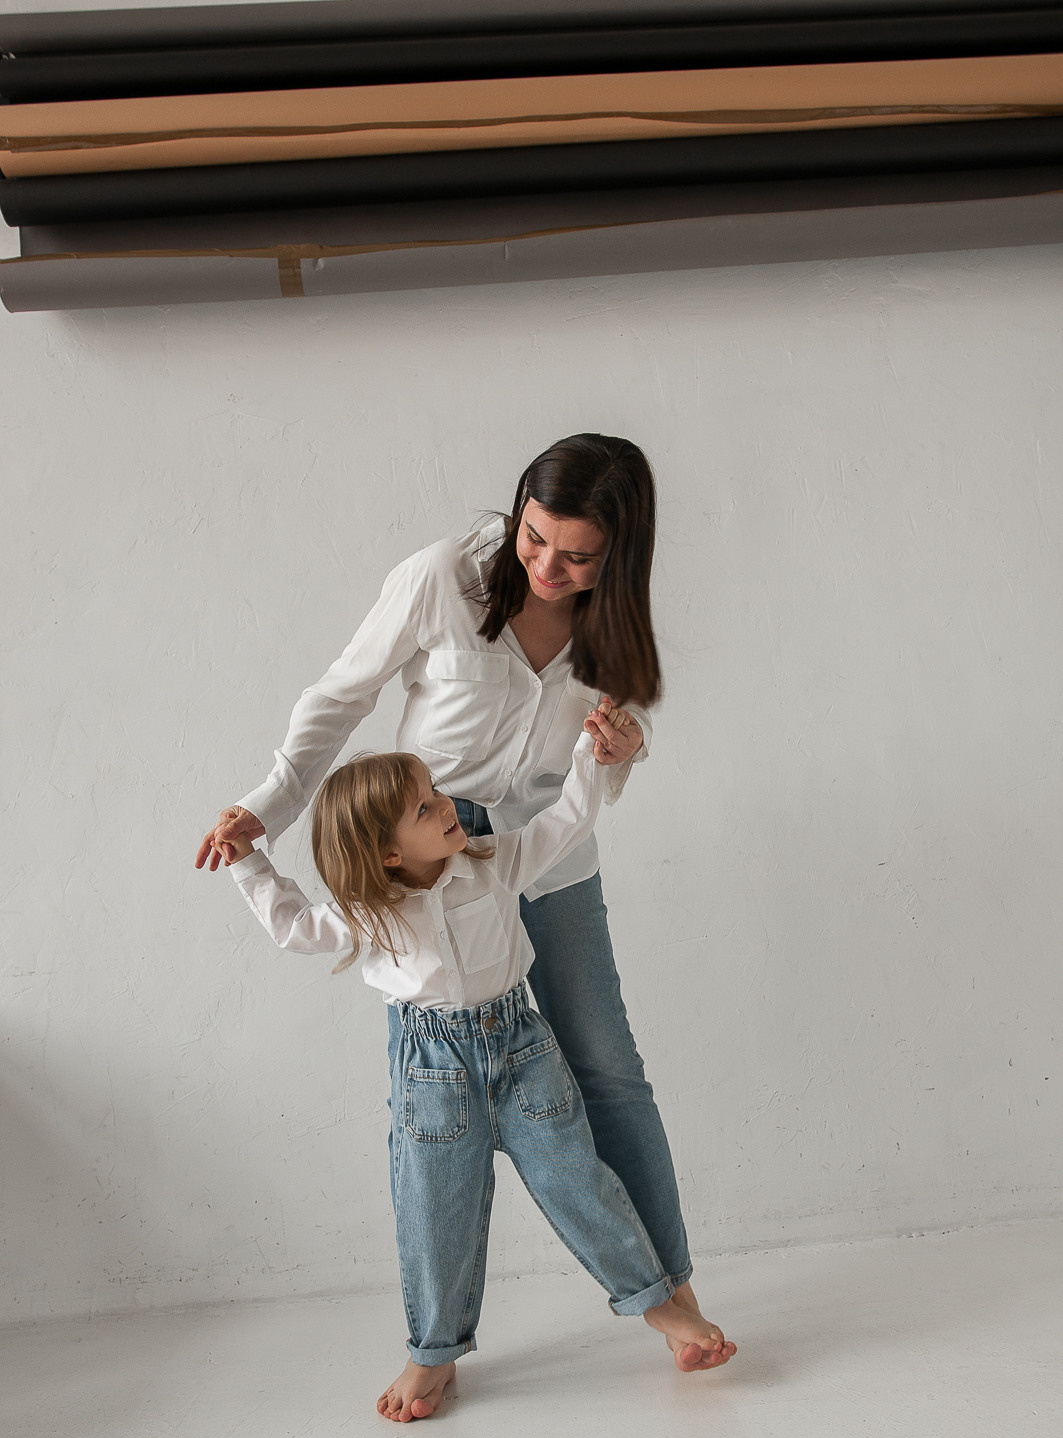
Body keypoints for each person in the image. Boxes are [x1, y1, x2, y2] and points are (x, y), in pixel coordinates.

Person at [196, 432, 729, 1372]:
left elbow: (582, 785)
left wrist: (623, 755)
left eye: (577, 557)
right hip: (426, 857)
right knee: (439, 1139)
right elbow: (340, 698)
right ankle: (435, 1345)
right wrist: (265, 811)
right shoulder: (444, 577)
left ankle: (671, 1292)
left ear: (621, 553)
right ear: (518, 507)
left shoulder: (614, 631)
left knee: (609, 1076)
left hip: (542, 859)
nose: (547, 566)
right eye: (533, 538)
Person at [226, 713, 735, 1421]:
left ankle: (658, 1305)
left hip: (524, 1051)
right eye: (425, 806)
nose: (446, 807)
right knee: (436, 1211)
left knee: (578, 1181)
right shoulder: (369, 912)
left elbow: (566, 821)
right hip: (432, 1074)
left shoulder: (496, 861)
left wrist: (591, 755)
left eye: (435, 791)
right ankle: (431, 1354)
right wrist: (250, 860)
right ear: (385, 853)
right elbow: (291, 925)